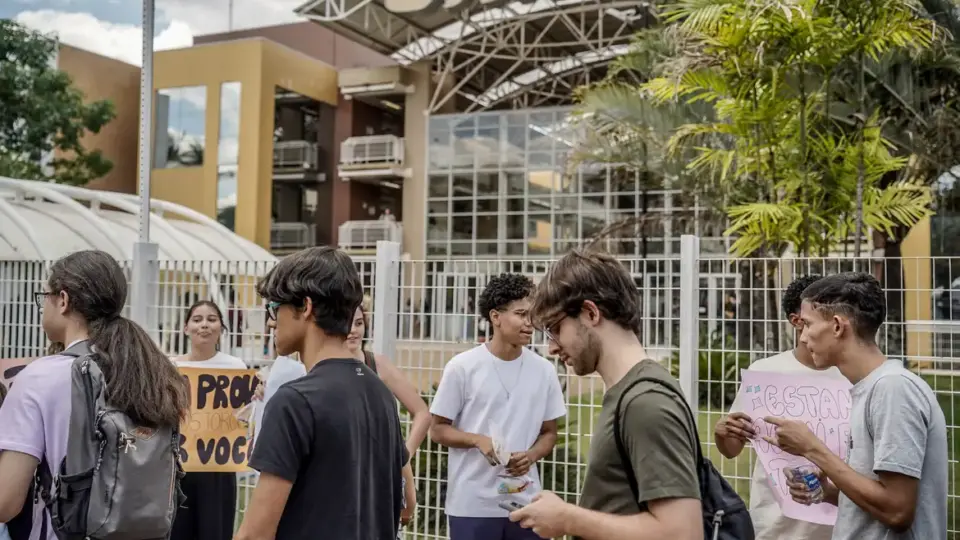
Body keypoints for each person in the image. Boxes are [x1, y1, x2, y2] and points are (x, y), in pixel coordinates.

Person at [509, 248, 702, 540]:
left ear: (590, 313)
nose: (551, 347)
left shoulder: (645, 403)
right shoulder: (631, 393)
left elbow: (682, 534)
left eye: (554, 329)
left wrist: (568, 518)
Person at [0, 250, 189, 538]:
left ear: (62, 300)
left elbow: (6, 502)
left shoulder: (39, 377)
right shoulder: (150, 371)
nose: (43, 307)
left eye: (45, 297)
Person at [235, 246, 408, 540]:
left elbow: (255, 534)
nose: (270, 321)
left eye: (275, 308)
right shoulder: (380, 392)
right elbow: (399, 503)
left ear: (306, 306)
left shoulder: (294, 401)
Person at [763, 272, 947, 540]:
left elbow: (898, 511)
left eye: (808, 325)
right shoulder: (871, 388)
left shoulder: (892, 389)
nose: (803, 338)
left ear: (837, 326)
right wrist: (829, 491)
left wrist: (812, 448)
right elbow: (878, 501)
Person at [251, 303, 427, 528]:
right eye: (349, 322)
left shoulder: (377, 377)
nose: (353, 329)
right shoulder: (298, 381)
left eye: (359, 323)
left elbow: (257, 529)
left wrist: (402, 456)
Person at [429, 273, 567, 540]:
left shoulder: (544, 371)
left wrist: (532, 455)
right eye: (521, 314)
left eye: (532, 316)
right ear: (495, 317)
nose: (530, 324)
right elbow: (437, 430)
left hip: (527, 503)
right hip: (472, 506)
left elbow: (550, 433)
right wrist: (478, 440)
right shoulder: (462, 367)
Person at [713, 274, 843, 540]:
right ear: (798, 321)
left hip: (839, 525)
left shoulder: (850, 374)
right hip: (776, 527)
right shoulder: (765, 373)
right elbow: (732, 449)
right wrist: (722, 433)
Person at [171, 300, 247, 540]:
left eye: (212, 319)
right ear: (186, 328)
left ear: (221, 328)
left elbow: (243, 417)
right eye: (197, 319)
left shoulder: (236, 368)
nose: (204, 325)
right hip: (178, 467)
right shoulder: (171, 367)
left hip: (218, 469)